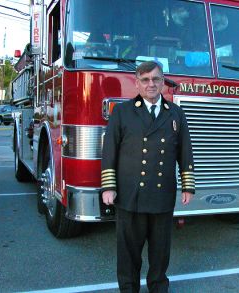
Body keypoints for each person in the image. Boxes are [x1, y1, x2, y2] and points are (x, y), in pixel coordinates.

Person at [101, 61, 195, 293]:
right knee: (128, 253)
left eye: (155, 79)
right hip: (130, 194)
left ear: (163, 82)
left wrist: (187, 185)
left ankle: (158, 288)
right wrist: (108, 187)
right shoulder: (122, 112)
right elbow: (109, 151)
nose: (150, 84)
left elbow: (185, 151)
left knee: (160, 252)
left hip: (162, 195)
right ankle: (128, 289)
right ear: (137, 83)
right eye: (145, 80)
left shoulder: (175, 113)